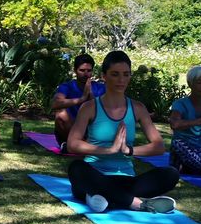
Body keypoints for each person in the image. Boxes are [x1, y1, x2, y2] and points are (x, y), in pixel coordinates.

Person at [66, 50, 179, 213]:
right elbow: (72, 144)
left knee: (171, 174)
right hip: (95, 175)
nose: (121, 80)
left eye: (126, 74)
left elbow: (159, 146)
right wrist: (108, 150)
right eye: (115, 74)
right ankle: (139, 204)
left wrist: (129, 150)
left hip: (126, 179)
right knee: (76, 168)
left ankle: (101, 197)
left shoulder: (138, 108)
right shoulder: (90, 107)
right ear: (104, 76)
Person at [51, 54, 106, 151]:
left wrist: (91, 96)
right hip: (71, 128)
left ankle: (81, 145)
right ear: (75, 71)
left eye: (89, 71)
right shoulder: (67, 86)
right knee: (60, 113)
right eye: (82, 70)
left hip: (92, 129)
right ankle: (72, 144)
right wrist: (82, 99)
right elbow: (55, 104)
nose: (86, 74)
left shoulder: (100, 88)